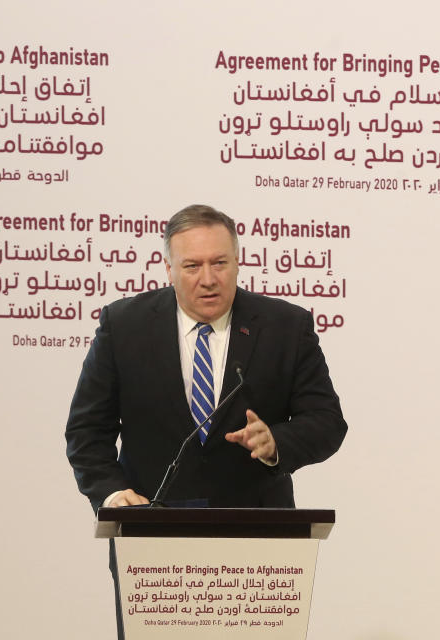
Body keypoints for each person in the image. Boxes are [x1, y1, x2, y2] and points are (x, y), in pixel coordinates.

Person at [65, 204, 347, 637]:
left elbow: (327, 421)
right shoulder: (125, 325)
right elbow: (87, 431)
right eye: (192, 266)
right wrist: (113, 491)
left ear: (239, 262)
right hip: (154, 548)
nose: (208, 278)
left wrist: (277, 443)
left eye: (219, 263)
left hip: (260, 549)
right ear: (169, 269)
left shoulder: (285, 326)